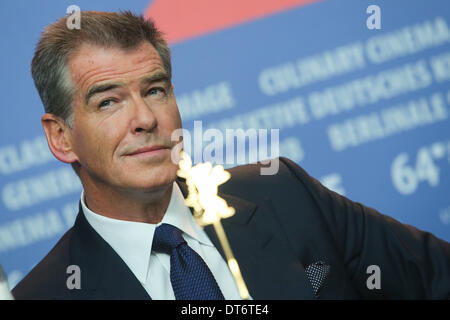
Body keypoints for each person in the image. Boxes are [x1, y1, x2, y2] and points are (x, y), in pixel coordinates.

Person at [12, 11, 450, 300]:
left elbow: (435, 276)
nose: (145, 118)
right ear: (61, 137)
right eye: (108, 102)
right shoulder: (46, 294)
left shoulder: (284, 193)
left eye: (155, 90)